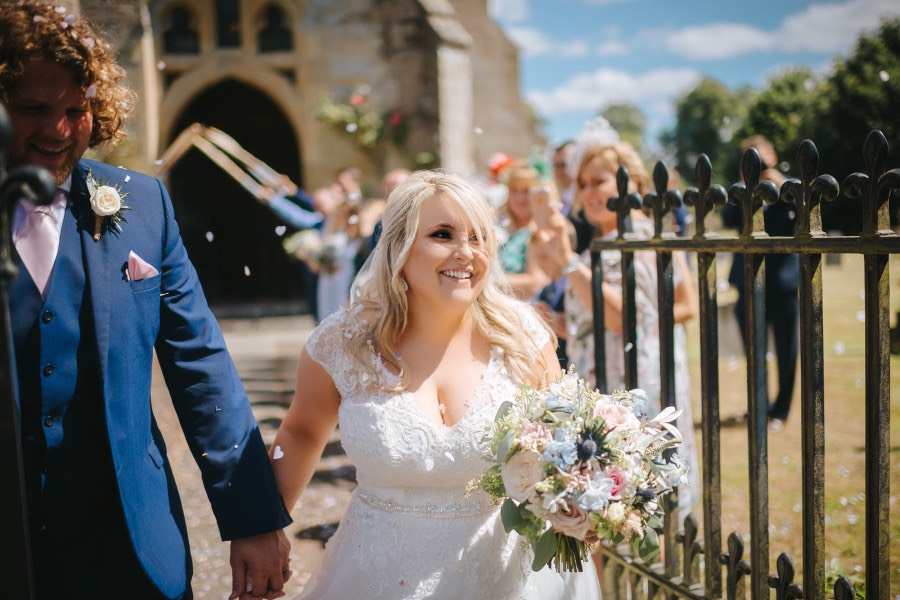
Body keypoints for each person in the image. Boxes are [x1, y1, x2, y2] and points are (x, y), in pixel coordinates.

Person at [0, 3, 292, 598]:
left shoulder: (142, 204)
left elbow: (200, 362)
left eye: (76, 110)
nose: (57, 130)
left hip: (127, 545)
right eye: (33, 109)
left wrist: (253, 518)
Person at [269, 171, 601, 599]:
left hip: (511, 578)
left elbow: (564, 446)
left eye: (479, 237)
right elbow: (300, 433)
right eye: (443, 234)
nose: (466, 253)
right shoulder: (342, 344)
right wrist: (265, 529)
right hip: (377, 576)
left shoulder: (522, 338)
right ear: (400, 247)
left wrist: (585, 503)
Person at [535, 119, 699, 510]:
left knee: (642, 495)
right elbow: (601, 320)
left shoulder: (640, 239)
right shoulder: (606, 242)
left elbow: (631, 317)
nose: (588, 192)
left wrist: (568, 264)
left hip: (636, 379)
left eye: (599, 181)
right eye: (583, 183)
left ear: (630, 183)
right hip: (606, 373)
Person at [722, 135, 797, 432]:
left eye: (761, 160)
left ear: (773, 156)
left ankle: (781, 411)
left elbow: (802, 217)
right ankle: (760, 406)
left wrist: (779, 186)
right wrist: (748, 184)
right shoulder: (741, 190)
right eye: (749, 160)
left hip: (783, 283)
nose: (757, 165)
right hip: (748, 282)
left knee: (786, 351)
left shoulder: (788, 187)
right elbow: (729, 217)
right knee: (754, 351)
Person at [497, 162, 552, 299]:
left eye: (526, 191)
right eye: (515, 191)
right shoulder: (503, 228)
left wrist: (489, 282)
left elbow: (538, 282)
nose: (520, 198)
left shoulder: (540, 231)